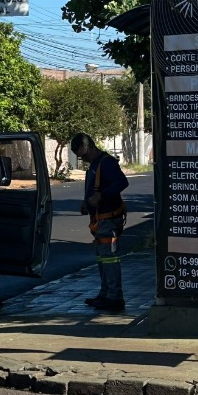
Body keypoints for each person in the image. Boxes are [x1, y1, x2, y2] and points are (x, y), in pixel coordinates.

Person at [71, 133, 129, 311]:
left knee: (110, 259)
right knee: (103, 258)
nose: (82, 158)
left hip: (109, 219)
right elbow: (93, 188)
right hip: (99, 221)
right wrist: (86, 202)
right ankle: (105, 294)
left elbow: (122, 182)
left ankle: (114, 297)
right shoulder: (94, 165)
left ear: (89, 146)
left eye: (83, 154)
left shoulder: (107, 163)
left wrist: (101, 196)